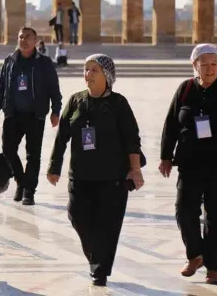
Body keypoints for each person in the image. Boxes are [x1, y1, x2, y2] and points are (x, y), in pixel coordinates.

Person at [46, 54, 145, 287]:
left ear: (107, 76)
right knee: (77, 216)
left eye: (94, 70)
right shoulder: (76, 101)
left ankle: (99, 270)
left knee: (107, 225)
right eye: (86, 69)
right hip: (80, 176)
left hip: (112, 179)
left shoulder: (119, 104)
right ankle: (96, 257)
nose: (88, 74)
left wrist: (135, 170)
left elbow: (132, 140)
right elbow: (62, 138)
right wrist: (54, 167)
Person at [159, 43, 217, 285]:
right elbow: (171, 124)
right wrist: (166, 157)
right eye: (205, 65)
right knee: (184, 210)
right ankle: (195, 254)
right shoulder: (185, 89)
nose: (211, 69)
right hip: (191, 162)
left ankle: (214, 267)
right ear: (195, 66)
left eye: (215, 64)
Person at [0, 27, 62, 206]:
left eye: (28, 37)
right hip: (12, 114)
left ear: (36, 41)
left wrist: (55, 111)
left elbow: (54, 88)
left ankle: (28, 191)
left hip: (35, 115)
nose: (23, 40)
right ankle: (21, 182)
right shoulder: (10, 60)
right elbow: (1, 86)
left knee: (33, 155)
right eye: (21, 37)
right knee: (8, 151)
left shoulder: (44, 62)